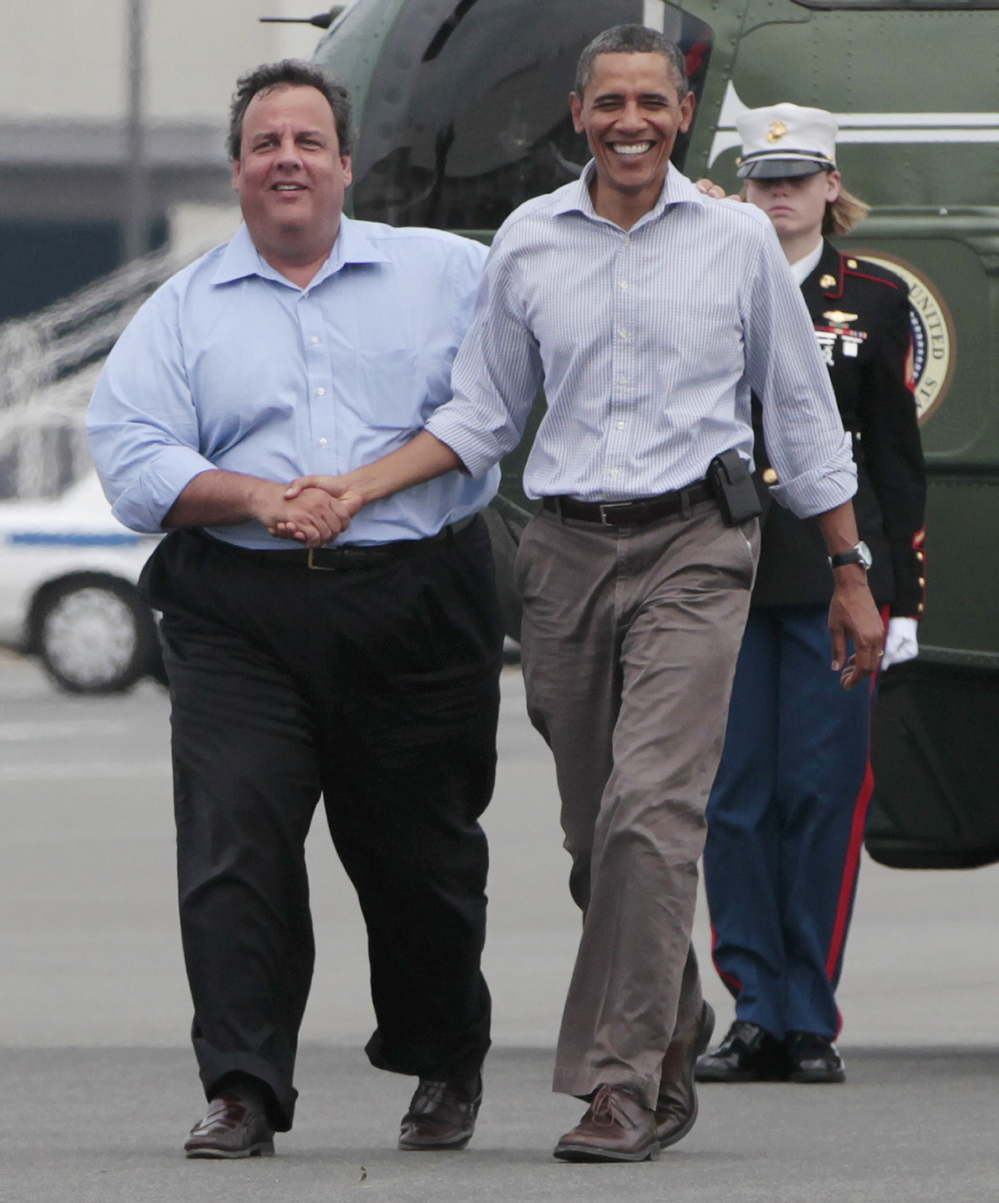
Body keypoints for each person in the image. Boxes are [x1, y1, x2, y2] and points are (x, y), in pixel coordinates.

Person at [280, 26, 885, 1163]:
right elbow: (481, 414)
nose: (630, 123)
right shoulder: (529, 241)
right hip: (561, 558)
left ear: (681, 111)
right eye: (610, 102)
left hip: (700, 548)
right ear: (577, 114)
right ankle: (673, 1014)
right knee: (595, 839)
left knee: (653, 822)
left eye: (651, 102)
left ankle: (615, 1086)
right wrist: (359, 486)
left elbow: (801, 414)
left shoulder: (739, 242)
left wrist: (849, 570)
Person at [86, 60, 503, 1158]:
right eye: (265, 143)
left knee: (421, 858)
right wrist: (263, 497)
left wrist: (688, 217)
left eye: (307, 141)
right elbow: (132, 464)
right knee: (236, 844)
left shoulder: (451, 273)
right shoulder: (179, 312)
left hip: (416, 601)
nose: (286, 159)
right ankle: (243, 1085)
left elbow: (527, 360)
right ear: (236, 172)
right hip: (239, 613)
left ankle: (444, 1054)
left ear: (345, 165)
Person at [694, 104, 926, 1085]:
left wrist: (901, 595)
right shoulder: (706, 280)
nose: (780, 194)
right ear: (743, 189)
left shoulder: (874, 298)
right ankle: (753, 1005)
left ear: (831, 187)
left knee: (821, 794)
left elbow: (901, 462)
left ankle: (808, 1011)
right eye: (763, 178)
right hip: (725, 567)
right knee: (734, 795)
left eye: (799, 178)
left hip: (840, 576)